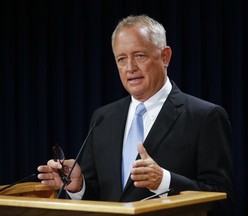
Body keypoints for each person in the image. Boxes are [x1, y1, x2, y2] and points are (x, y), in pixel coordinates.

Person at [37, 14, 234, 215]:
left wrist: (164, 181)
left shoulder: (205, 117)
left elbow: (221, 200)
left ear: (165, 56)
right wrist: (79, 186)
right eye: (121, 59)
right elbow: (100, 197)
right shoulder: (103, 118)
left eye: (139, 55)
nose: (130, 67)